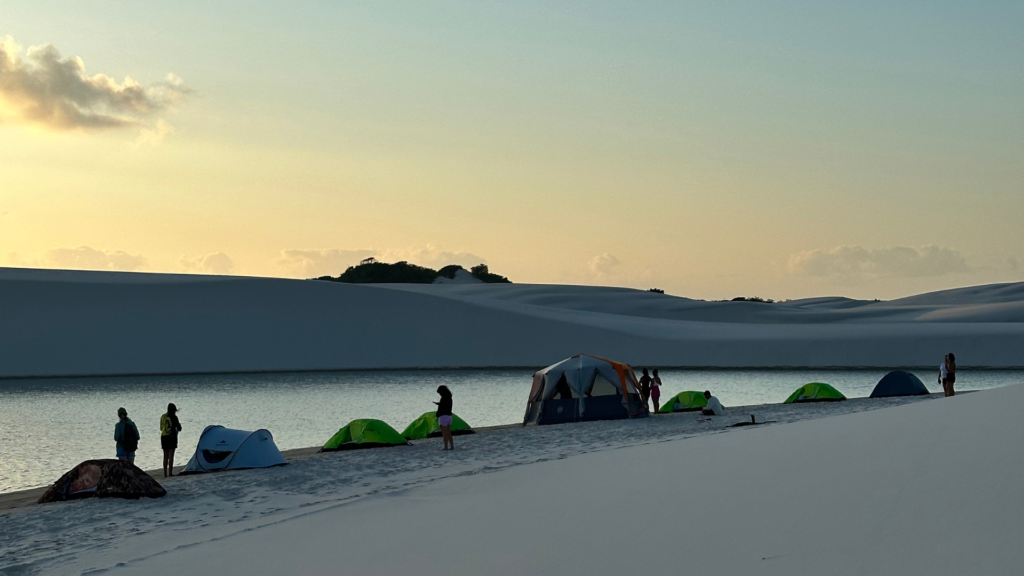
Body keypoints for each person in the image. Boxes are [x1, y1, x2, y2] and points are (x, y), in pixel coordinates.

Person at [160, 403, 182, 477]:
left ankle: (165, 473)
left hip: (163, 437)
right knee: (171, 456)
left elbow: (161, 428)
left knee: (165, 456)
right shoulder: (174, 417)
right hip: (171, 437)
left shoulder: (163, 417)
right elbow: (179, 428)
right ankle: (170, 473)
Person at [434, 385, 455, 451]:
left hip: (443, 416)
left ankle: (446, 447)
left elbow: (441, 408)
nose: (440, 394)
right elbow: (445, 405)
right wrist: (439, 404)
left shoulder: (443, 398)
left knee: (444, 433)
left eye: (440, 393)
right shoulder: (449, 398)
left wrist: (437, 414)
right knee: (448, 432)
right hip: (449, 416)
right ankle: (452, 446)